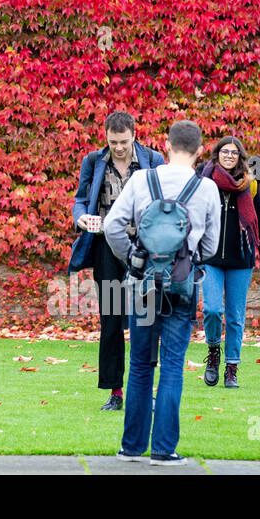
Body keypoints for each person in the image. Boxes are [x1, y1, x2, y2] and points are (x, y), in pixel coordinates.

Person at [103, 119, 221, 466]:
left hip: (143, 287)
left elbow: (112, 226)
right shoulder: (207, 188)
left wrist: (133, 258)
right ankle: (164, 450)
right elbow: (212, 244)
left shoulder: (142, 180)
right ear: (200, 152)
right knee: (172, 364)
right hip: (182, 286)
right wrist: (192, 257)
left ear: (166, 145)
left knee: (140, 364)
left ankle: (131, 447)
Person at [70, 111, 165, 411]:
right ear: (106, 137)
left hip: (143, 251)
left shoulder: (153, 161)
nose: (119, 147)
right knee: (110, 323)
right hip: (107, 249)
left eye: (124, 141)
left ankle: (145, 389)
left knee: (146, 321)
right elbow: (80, 199)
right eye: (113, 142)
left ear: (134, 135)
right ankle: (115, 392)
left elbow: (167, 200)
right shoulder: (94, 161)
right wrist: (81, 217)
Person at [196, 136, 260, 388]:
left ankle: (231, 367)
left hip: (241, 258)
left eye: (234, 152)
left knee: (234, 317)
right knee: (211, 309)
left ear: (240, 157)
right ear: (217, 154)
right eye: (224, 151)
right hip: (210, 257)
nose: (229, 156)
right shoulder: (204, 180)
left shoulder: (250, 186)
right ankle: (213, 351)